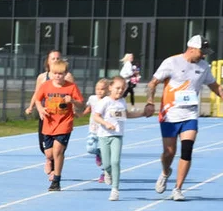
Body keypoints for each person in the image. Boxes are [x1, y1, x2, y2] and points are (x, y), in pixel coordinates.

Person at [145, 35, 223, 201]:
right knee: (169, 153)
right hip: (169, 114)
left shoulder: (204, 67)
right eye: (201, 52)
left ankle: (178, 188)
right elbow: (152, 83)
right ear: (191, 49)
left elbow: (215, 87)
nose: (204, 55)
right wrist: (150, 102)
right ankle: (165, 171)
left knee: (187, 149)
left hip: (190, 114)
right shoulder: (171, 62)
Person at [92, 77, 154, 201]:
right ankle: (108, 172)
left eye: (122, 88)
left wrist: (142, 113)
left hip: (117, 136)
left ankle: (115, 189)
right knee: (107, 163)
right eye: (117, 88)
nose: (120, 91)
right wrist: (106, 124)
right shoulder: (105, 101)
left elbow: (127, 114)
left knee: (115, 162)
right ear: (110, 88)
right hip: (104, 135)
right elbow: (96, 116)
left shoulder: (122, 102)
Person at [30, 58, 83, 192]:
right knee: (49, 154)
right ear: (51, 73)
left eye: (61, 74)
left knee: (58, 151)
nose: (58, 76)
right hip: (49, 123)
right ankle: (50, 161)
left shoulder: (71, 87)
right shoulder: (46, 85)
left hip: (64, 123)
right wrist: (41, 109)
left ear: (65, 74)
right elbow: (37, 99)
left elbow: (81, 102)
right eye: (55, 73)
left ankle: (56, 180)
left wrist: (72, 101)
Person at [83, 79, 110, 181]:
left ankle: (104, 172)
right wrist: (81, 114)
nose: (99, 91)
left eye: (102, 89)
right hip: (93, 129)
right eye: (97, 89)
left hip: (104, 131)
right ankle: (98, 153)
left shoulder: (108, 100)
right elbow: (89, 108)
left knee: (105, 152)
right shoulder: (92, 98)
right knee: (90, 149)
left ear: (107, 90)